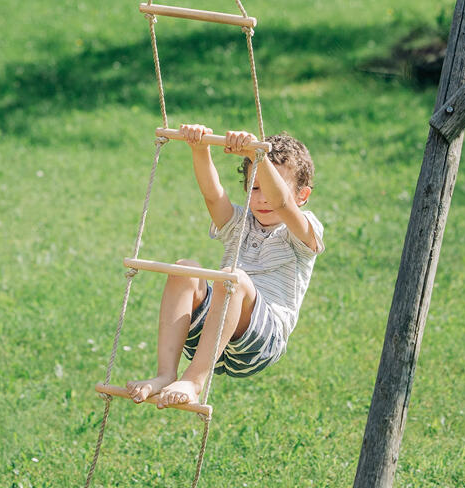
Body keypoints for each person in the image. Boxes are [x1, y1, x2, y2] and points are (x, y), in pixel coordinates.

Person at [126, 125, 324, 409]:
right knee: (185, 269)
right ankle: (166, 374)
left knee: (233, 278)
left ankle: (194, 380)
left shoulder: (304, 230)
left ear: (302, 196)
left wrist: (257, 154)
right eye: (254, 188)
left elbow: (281, 202)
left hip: (259, 344)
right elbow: (212, 195)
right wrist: (200, 148)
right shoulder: (238, 224)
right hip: (209, 337)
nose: (263, 197)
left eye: (268, 186)